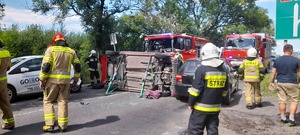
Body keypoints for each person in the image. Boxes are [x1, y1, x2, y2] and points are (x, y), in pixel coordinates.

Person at [39, 33, 81, 132]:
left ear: (54, 42)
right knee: (63, 102)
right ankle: (63, 125)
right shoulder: (71, 52)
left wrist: (42, 79)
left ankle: (50, 125)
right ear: (64, 41)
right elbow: (78, 67)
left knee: (48, 101)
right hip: (65, 82)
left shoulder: (50, 50)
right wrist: (75, 80)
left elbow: (46, 66)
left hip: (52, 81)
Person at [187, 43, 228, 135]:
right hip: (215, 109)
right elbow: (225, 92)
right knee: (213, 130)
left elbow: (195, 91)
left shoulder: (201, 69)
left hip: (200, 109)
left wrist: (190, 103)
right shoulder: (223, 70)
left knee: (195, 131)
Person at [269, 44, 300, 126]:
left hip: (280, 83)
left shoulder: (277, 60)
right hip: (292, 83)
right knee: (294, 100)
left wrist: (271, 82)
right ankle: (291, 118)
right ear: (291, 51)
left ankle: (283, 117)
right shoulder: (296, 60)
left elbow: (273, 73)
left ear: (283, 51)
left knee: (282, 100)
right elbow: (299, 73)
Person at [0, 41, 15, 130]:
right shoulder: (6, 52)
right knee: (5, 103)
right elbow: (8, 67)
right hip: (3, 82)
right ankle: (10, 123)